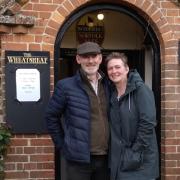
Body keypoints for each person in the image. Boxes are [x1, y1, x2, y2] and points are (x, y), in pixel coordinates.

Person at [45, 41, 110, 180]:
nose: (90, 60)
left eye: (94, 56)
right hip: (78, 161)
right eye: (85, 56)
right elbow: (51, 117)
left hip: (106, 157)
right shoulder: (65, 86)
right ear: (78, 59)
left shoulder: (108, 84)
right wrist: (63, 146)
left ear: (100, 58)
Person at [105, 52, 159, 180]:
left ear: (127, 68)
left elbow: (148, 124)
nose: (114, 71)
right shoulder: (112, 95)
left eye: (117, 67)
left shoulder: (141, 90)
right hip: (119, 160)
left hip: (140, 162)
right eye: (110, 68)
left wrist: (134, 151)